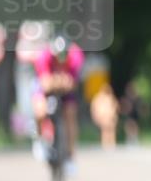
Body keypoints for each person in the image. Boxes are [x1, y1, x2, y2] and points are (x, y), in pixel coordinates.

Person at [33, 36, 84, 173]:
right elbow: (45, 84)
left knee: (70, 115)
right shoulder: (44, 56)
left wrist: (59, 82)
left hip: (66, 91)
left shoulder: (76, 55)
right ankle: (39, 140)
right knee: (40, 110)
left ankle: (70, 157)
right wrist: (60, 81)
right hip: (46, 90)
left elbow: (72, 83)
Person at [90, 83, 119, 149]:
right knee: (105, 130)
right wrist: (96, 115)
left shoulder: (111, 97)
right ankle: (105, 143)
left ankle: (112, 143)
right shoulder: (98, 98)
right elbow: (94, 107)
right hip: (103, 116)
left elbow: (115, 106)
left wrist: (114, 113)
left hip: (110, 116)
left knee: (111, 130)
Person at [119, 80, 143, 145]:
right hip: (129, 114)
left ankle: (135, 139)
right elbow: (123, 106)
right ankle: (129, 139)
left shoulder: (136, 97)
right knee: (129, 126)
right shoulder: (126, 97)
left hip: (135, 114)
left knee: (135, 127)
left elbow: (140, 105)